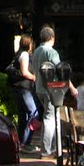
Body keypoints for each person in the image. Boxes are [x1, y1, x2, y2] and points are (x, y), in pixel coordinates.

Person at [32, 26, 63, 157]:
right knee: (51, 119)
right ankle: (46, 151)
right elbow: (61, 70)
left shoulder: (36, 51)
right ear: (52, 38)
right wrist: (71, 87)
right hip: (51, 89)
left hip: (39, 88)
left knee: (49, 117)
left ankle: (54, 148)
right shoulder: (51, 52)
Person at [9, 34, 40, 153]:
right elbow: (25, 72)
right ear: (28, 44)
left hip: (18, 88)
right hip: (24, 88)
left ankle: (22, 142)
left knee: (23, 116)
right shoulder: (25, 54)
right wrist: (34, 77)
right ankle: (26, 143)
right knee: (33, 113)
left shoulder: (18, 54)